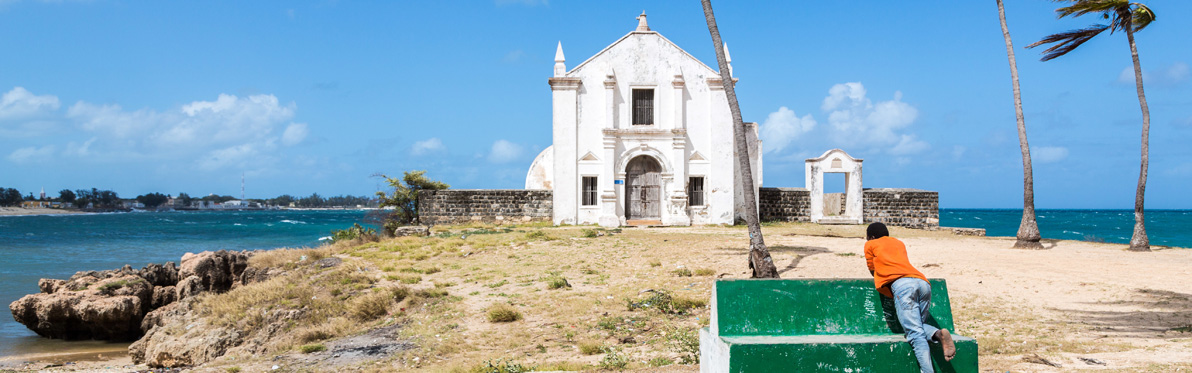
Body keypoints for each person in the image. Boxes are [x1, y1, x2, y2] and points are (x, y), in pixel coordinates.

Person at [864, 222, 956, 372]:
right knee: (918, 326)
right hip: (922, 282)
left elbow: (872, 268)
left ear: (871, 236)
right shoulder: (898, 243)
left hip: (903, 286)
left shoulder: (871, 244)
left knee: (915, 334)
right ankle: (938, 334)